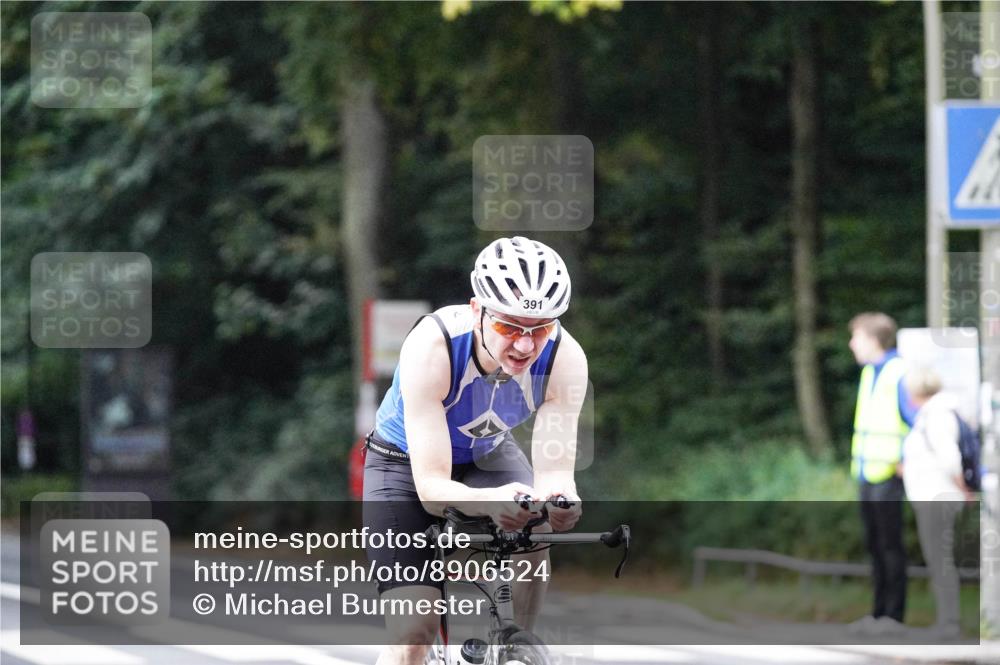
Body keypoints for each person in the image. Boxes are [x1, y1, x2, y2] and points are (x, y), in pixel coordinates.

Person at [362, 236, 587, 665]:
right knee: (414, 635)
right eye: (509, 326)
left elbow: (556, 472)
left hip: (485, 453)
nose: (525, 345)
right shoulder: (434, 346)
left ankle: (520, 641)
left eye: (540, 329)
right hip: (402, 465)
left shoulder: (565, 357)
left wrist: (560, 502)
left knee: (535, 515)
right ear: (477, 309)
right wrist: (491, 502)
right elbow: (430, 488)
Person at [846, 312, 917, 635]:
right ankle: (877, 615)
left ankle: (893, 617)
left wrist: (905, 459)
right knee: (874, 545)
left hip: (889, 472)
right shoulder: (869, 374)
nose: (851, 344)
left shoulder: (899, 372)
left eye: (856, 337)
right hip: (867, 472)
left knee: (890, 547)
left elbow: (916, 420)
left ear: (874, 340)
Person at [902, 366, 970, 639]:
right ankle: (946, 620)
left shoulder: (937, 415)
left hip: (937, 497)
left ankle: (949, 623)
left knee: (940, 560)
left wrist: (963, 489)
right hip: (932, 495)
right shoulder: (931, 414)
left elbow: (950, 458)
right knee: (938, 559)